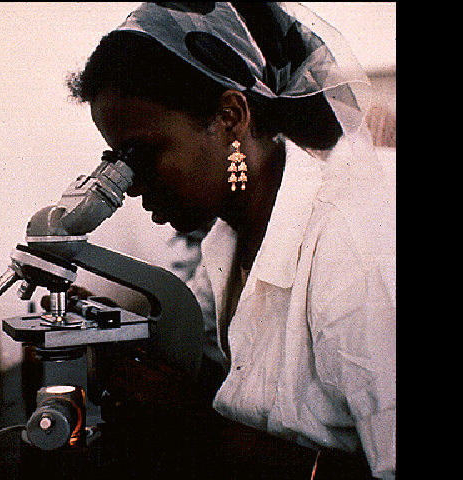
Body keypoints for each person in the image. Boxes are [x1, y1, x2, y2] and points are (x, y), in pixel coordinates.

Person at [65, 3, 395, 478]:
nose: (131, 186)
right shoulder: (228, 233)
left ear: (229, 116)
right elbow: (260, 396)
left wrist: (199, 423)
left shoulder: (354, 250)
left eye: (143, 153)